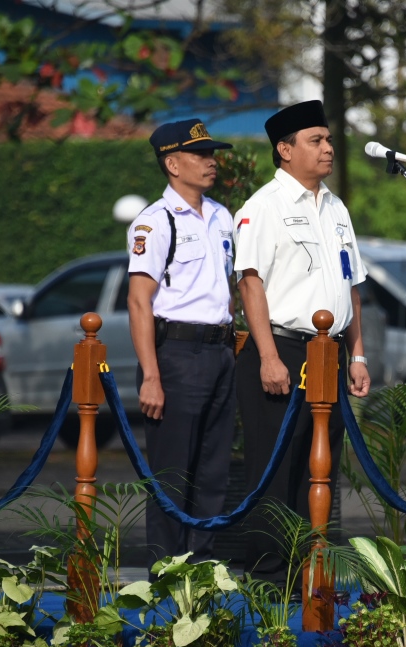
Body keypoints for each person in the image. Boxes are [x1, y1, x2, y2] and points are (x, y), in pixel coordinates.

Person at [233, 100, 371, 584]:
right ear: (284, 150)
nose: (328, 148)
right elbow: (250, 283)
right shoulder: (262, 207)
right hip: (282, 350)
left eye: (329, 139)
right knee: (276, 469)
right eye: (316, 140)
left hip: (328, 351)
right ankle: (271, 579)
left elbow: (351, 285)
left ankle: (312, 571)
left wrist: (357, 353)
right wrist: (268, 356)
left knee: (321, 466)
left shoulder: (335, 207)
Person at [126, 118, 237, 570]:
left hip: (219, 352)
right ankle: (167, 576)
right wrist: (151, 375)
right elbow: (138, 302)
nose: (211, 162)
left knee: (212, 472)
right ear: (172, 163)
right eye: (200, 154)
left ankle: (203, 571)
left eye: (212, 153)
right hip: (176, 355)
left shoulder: (222, 216)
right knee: (173, 475)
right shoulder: (154, 222)